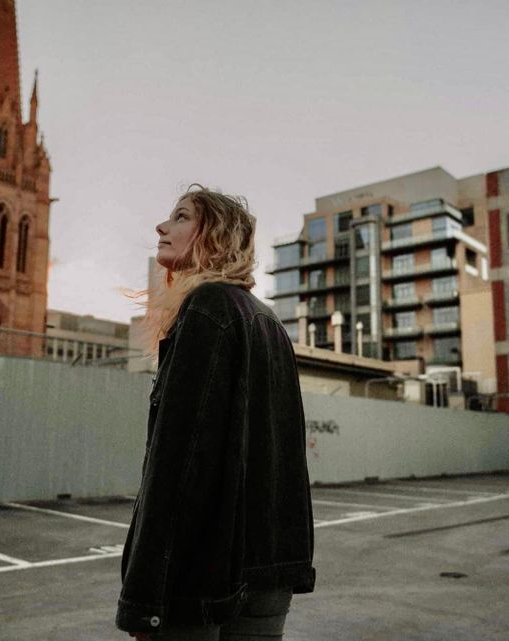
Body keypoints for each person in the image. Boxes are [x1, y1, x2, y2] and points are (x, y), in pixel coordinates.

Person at [116, 185, 316, 640]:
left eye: (181, 217)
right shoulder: (269, 324)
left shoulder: (207, 309)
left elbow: (179, 464)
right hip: (271, 566)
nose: (161, 227)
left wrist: (145, 600)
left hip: (203, 573)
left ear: (216, 236)